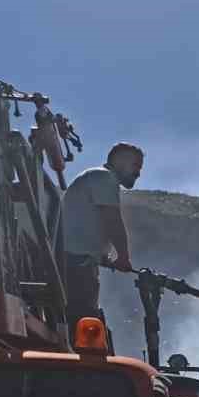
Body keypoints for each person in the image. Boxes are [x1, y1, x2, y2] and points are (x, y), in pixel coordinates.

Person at [58, 143, 143, 336]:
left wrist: (102, 255)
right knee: (83, 326)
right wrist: (123, 257)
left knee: (79, 323)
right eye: (136, 165)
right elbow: (112, 220)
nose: (138, 173)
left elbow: (86, 223)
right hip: (76, 265)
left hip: (76, 262)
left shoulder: (95, 178)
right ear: (120, 161)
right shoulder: (104, 177)